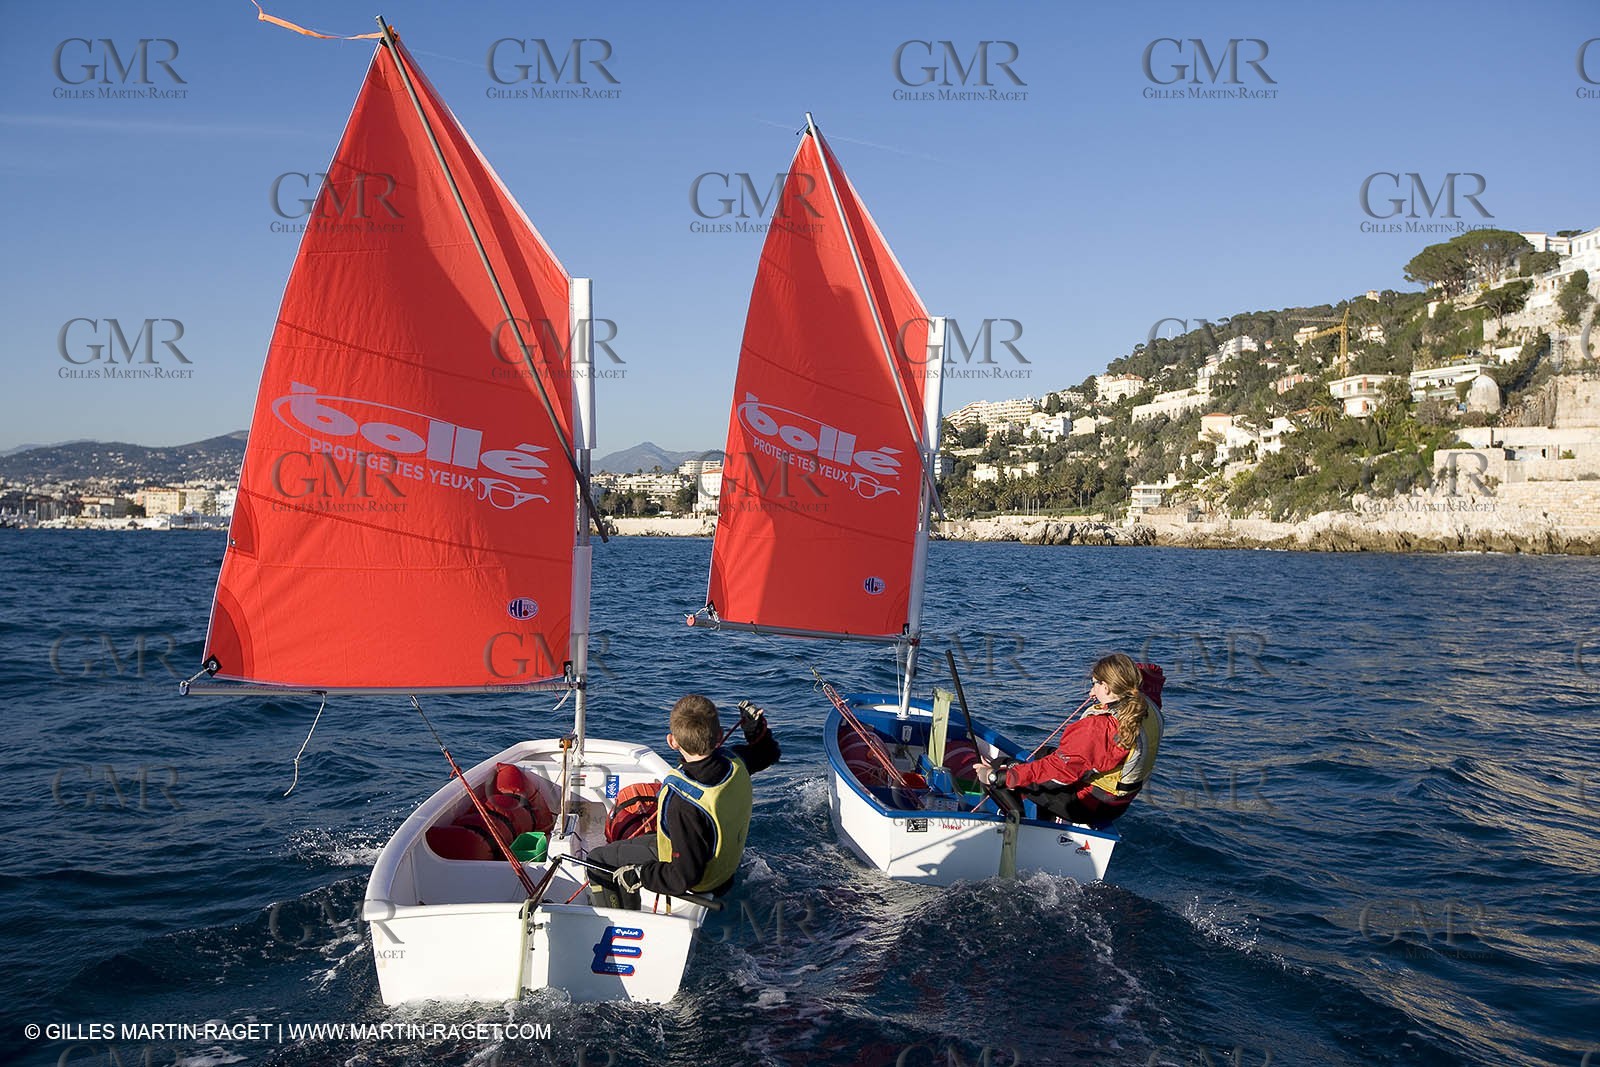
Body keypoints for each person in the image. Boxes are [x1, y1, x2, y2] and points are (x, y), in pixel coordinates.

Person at [587, 693, 780, 909]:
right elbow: (768, 753)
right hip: (724, 868)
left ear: (672, 741)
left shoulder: (682, 801)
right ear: (720, 735)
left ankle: (622, 923)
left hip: (704, 879)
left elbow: (684, 877)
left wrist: (641, 874)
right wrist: (754, 730)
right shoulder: (735, 762)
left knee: (597, 861)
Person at [973, 653, 1163, 827]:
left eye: (1095, 684)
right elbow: (1152, 673)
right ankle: (1045, 819)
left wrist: (996, 776)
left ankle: (1022, 827)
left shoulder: (1099, 729)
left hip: (1089, 806)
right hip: (1116, 802)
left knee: (1002, 766)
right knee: (1045, 753)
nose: (1091, 692)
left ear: (1106, 687)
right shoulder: (1147, 704)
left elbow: (1058, 773)